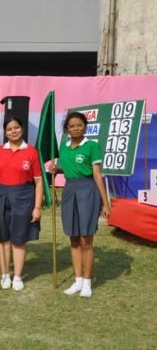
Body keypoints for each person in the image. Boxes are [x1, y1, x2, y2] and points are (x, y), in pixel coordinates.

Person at [50, 111, 110, 298]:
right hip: (69, 190)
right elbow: (67, 168)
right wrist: (56, 169)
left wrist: (105, 203)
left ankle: (87, 282)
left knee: (86, 238)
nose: (76, 128)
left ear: (85, 126)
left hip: (87, 189)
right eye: (72, 126)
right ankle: (77, 281)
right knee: (73, 237)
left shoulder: (92, 146)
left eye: (79, 125)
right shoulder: (64, 146)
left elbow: (97, 175)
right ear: (67, 129)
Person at [0, 116, 43, 291]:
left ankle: (17, 277)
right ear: (5, 132)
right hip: (1, 195)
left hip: (24, 197)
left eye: (16, 127)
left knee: (19, 238)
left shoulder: (32, 152)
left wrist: (37, 207)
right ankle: (5, 275)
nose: (13, 131)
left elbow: (38, 182)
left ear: (22, 129)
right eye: (9, 129)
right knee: (3, 238)